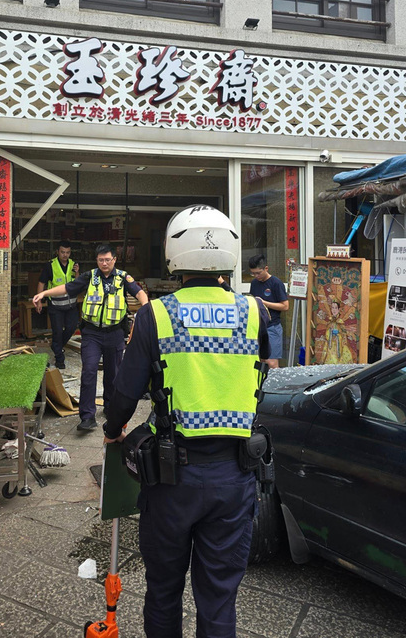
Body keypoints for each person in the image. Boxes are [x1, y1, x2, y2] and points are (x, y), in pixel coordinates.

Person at [103, 205, 270, 638]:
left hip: (171, 477)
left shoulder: (155, 315)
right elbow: (259, 373)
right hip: (235, 477)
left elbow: (125, 391)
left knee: (163, 590)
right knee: (218, 596)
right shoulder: (255, 313)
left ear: (174, 255)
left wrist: (112, 429)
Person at [33, 243, 148, 430]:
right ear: (97, 260)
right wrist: (44, 293)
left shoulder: (123, 278)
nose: (104, 263)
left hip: (115, 333)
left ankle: (110, 407)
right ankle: (87, 416)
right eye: (101, 260)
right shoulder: (90, 276)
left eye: (108, 260)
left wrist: (145, 309)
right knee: (89, 371)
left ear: (114, 260)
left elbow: (140, 293)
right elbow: (67, 288)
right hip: (92, 334)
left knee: (113, 374)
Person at [35, 240, 80, 369]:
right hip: (55, 305)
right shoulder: (51, 265)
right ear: (57, 252)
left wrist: (77, 272)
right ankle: (60, 358)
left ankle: (57, 347)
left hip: (71, 305)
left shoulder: (73, 265)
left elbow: (77, 284)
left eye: (67, 252)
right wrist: (38, 301)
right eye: (62, 252)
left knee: (72, 327)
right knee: (58, 331)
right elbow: (41, 283)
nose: (65, 255)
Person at [248, 253, 288, 369]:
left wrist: (263, 302)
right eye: (253, 273)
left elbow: (285, 306)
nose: (256, 276)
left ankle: (274, 386)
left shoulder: (276, 283)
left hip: (272, 327)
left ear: (266, 268)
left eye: (258, 273)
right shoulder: (254, 283)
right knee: (261, 360)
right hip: (258, 326)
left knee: (272, 362)